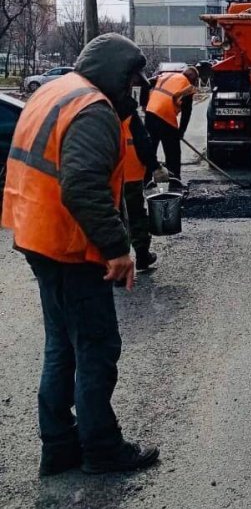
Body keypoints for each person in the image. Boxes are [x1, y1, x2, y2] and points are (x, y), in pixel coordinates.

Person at [2, 33, 160, 475]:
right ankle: (102, 448)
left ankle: (59, 444)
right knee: (96, 345)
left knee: (62, 344)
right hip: (69, 244)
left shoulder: (56, 91)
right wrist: (117, 248)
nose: (131, 91)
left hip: (36, 234)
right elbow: (83, 186)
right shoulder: (93, 111)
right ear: (113, 73)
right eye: (129, 82)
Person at [120, 88, 170, 275]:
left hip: (107, 173)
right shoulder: (128, 110)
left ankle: (117, 262)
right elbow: (143, 141)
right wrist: (155, 167)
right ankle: (142, 255)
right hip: (131, 171)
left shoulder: (96, 107)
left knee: (113, 216)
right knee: (135, 214)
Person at [145, 66, 198, 180]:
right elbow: (186, 112)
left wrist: (144, 104)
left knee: (150, 148)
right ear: (192, 79)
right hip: (165, 116)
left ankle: (146, 179)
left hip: (150, 113)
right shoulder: (187, 85)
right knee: (172, 151)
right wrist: (181, 131)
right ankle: (174, 179)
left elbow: (147, 82)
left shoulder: (165, 76)